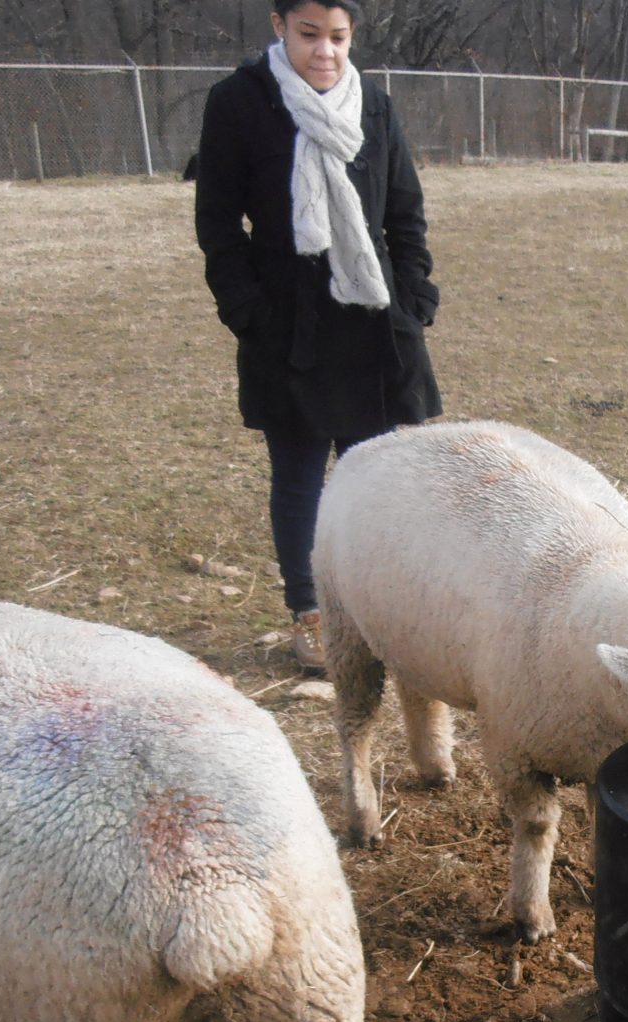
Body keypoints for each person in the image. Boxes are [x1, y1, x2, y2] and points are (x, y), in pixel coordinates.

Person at [195, 0, 441, 670]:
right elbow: (217, 222)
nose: (325, 52)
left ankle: (381, 613)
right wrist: (245, 308)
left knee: (383, 479)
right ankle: (310, 615)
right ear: (279, 26)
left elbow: (404, 211)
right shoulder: (240, 104)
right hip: (289, 320)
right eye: (309, 35)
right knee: (301, 474)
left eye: (338, 37)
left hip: (374, 319)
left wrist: (415, 297)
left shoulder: (376, 106)